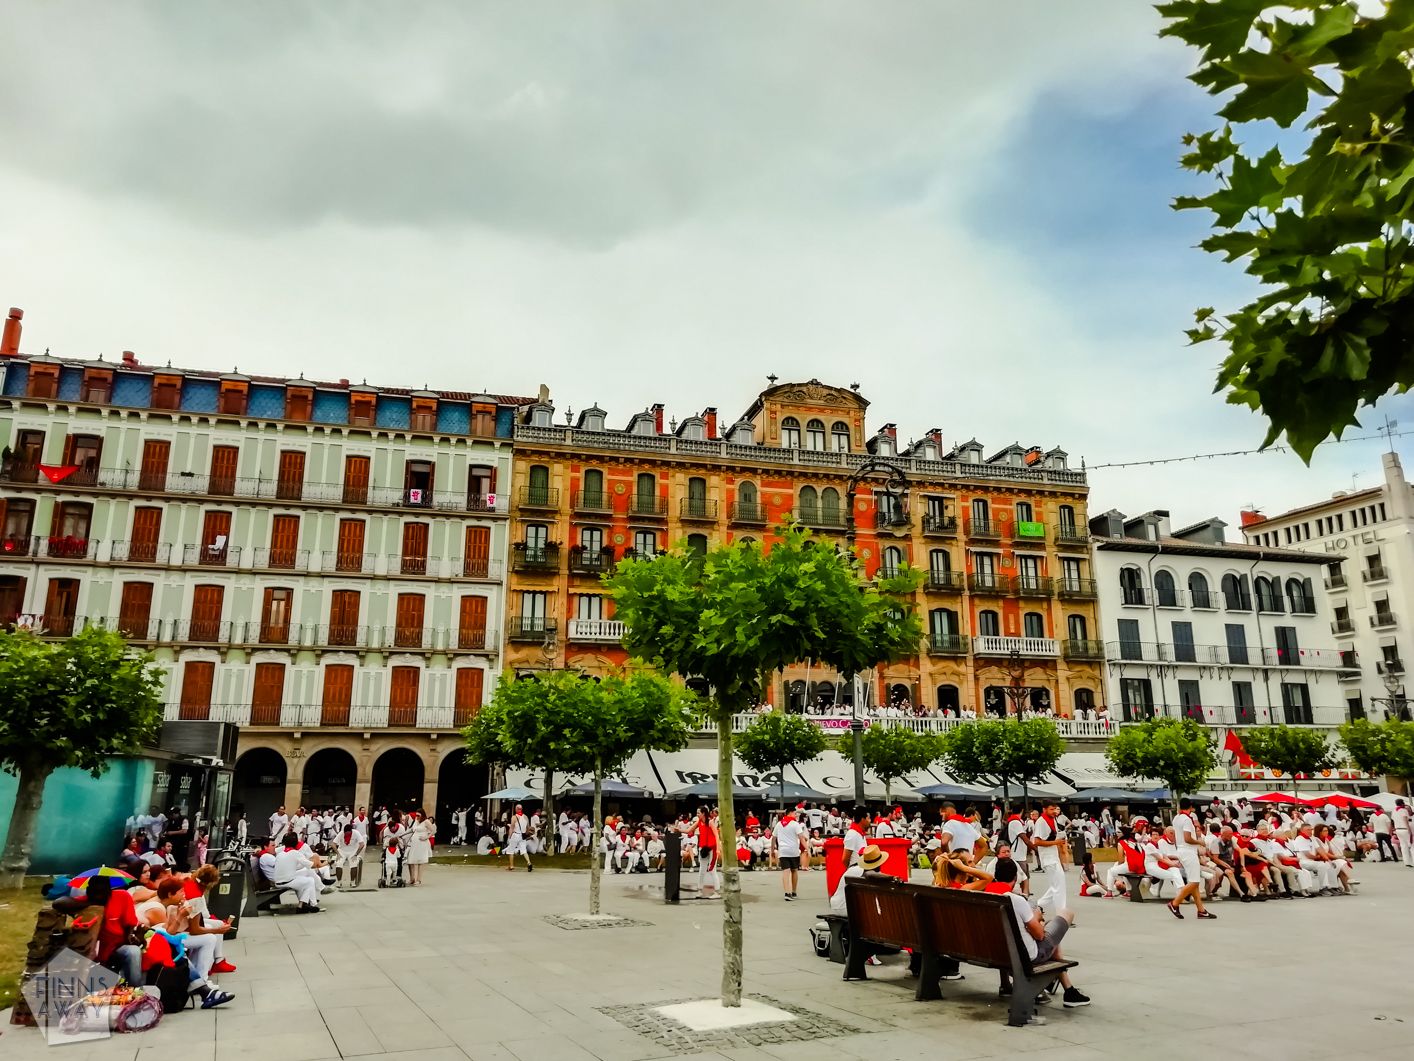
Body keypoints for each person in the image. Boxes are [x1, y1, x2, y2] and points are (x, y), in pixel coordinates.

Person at [990, 858, 1090, 1010]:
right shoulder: (1016, 900)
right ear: (1016, 878)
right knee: (1064, 915)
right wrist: (1037, 917)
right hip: (1026, 956)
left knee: (1048, 930)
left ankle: (1064, 987)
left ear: (995, 875)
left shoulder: (985, 894)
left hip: (996, 951)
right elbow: (1039, 936)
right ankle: (1068, 990)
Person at [1168, 798, 1215, 920]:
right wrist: (1200, 842)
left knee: (1193, 882)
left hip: (1181, 850)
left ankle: (1201, 910)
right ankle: (1175, 903)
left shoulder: (1177, 818)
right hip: (1188, 851)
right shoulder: (1187, 819)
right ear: (1191, 807)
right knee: (1194, 882)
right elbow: (1188, 838)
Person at [1028, 799, 1068, 916]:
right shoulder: (1041, 821)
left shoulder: (1052, 820)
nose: (1054, 811)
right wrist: (1056, 842)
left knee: (1058, 885)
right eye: (1051, 809)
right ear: (1044, 809)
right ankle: (1061, 914)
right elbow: (1037, 841)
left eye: (1054, 809)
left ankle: (1038, 904)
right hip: (1048, 858)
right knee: (1058, 887)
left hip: (1053, 856)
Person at [829, 843, 890, 913]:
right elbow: (869, 874)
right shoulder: (862, 869)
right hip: (845, 908)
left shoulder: (855, 868)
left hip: (837, 905)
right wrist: (892, 877)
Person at [273, 832, 324, 912]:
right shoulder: (295, 853)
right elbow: (313, 865)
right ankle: (312, 904)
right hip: (288, 881)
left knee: (305, 879)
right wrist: (325, 862)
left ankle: (303, 905)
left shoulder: (280, 853)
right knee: (310, 881)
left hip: (278, 881)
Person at [771, 808, 808, 901]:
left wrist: (772, 850)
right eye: (795, 813)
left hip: (783, 851)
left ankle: (787, 893)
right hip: (794, 851)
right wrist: (807, 848)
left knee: (785, 872)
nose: (796, 815)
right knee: (794, 870)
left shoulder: (779, 824)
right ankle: (794, 891)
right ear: (790, 813)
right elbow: (801, 838)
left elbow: (773, 838)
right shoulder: (795, 824)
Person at [334, 822, 367, 888]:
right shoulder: (341, 833)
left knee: (353, 864)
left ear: (351, 831)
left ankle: (352, 881)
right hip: (342, 850)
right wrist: (338, 853)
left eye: (348, 833)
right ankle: (339, 881)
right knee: (338, 863)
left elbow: (362, 844)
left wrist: (356, 854)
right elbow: (333, 844)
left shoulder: (356, 833)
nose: (346, 834)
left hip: (353, 851)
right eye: (345, 833)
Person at [406, 812, 433, 885]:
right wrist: (403, 834)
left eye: (418, 815)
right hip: (414, 843)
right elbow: (412, 829)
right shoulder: (416, 820)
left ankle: (419, 880)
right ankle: (412, 879)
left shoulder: (426, 821)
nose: (417, 817)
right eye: (416, 815)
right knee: (411, 860)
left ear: (422, 815)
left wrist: (426, 837)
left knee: (420, 861)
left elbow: (433, 831)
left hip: (422, 843)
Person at [505, 803, 533, 872]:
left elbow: (512, 828)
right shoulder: (526, 817)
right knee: (523, 850)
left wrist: (509, 836)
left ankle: (511, 866)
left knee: (511, 850)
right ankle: (529, 863)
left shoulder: (514, 817)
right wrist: (525, 834)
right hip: (522, 835)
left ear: (516, 809)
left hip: (515, 835)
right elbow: (528, 828)